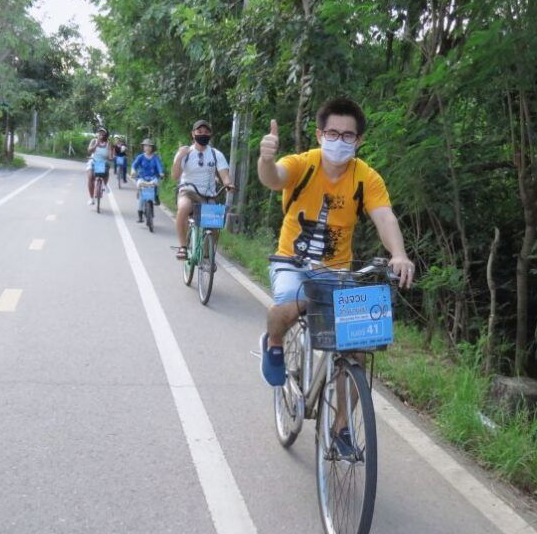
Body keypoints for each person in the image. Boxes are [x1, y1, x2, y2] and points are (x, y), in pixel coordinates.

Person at [256, 97, 415, 387]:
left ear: (358, 140)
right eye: (332, 134)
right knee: (295, 301)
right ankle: (274, 341)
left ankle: (342, 431)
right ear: (320, 135)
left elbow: (384, 217)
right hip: (292, 262)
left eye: (348, 135)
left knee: (358, 350)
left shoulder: (366, 177)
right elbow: (274, 178)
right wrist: (266, 160)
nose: (339, 141)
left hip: (337, 273)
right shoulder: (302, 164)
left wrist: (399, 254)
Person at [171, 120, 235, 260]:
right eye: (199, 132)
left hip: (208, 195)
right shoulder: (185, 152)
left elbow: (224, 175)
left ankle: (207, 254)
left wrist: (229, 185)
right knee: (183, 208)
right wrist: (179, 157)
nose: (203, 135)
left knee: (215, 221)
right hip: (188, 191)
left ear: (210, 134)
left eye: (206, 132)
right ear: (193, 134)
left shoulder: (215, 154)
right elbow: (175, 176)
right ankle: (183, 247)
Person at [131, 139, 164, 223]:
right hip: (142, 178)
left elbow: (159, 165)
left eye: (149, 146)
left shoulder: (155, 157)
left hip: (153, 177)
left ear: (152, 148)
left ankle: (156, 196)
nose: (147, 148)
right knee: (141, 198)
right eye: (145, 146)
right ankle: (140, 215)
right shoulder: (140, 157)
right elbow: (134, 165)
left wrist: (161, 173)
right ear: (143, 147)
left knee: (156, 183)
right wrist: (133, 170)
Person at [87, 126, 114, 205]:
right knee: (90, 177)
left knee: (106, 169)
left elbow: (109, 155)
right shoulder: (93, 141)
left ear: (106, 135)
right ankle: (91, 198)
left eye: (103, 133)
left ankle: (105, 185)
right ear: (97, 134)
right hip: (94, 161)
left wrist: (111, 158)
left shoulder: (109, 143)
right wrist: (96, 145)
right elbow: (89, 150)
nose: (101, 135)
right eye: (100, 133)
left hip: (103, 162)